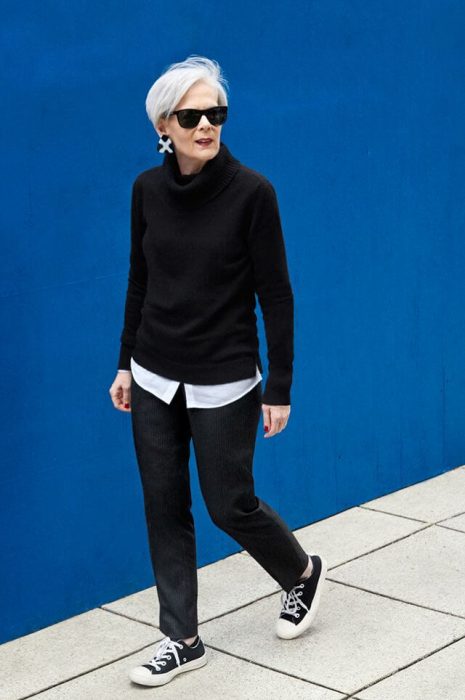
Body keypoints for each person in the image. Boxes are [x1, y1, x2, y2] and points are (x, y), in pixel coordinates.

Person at [109, 54, 327, 688]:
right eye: (191, 116)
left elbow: (276, 295)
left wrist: (279, 385)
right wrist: (124, 362)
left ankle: (301, 573)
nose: (206, 125)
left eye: (216, 113)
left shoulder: (253, 193)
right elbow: (140, 280)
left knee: (229, 504)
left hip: (226, 379)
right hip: (153, 374)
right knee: (163, 505)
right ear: (163, 126)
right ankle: (182, 639)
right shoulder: (146, 191)